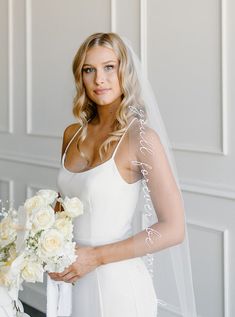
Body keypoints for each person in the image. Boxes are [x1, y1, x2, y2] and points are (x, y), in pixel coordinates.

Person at [47, 32, 196, 317]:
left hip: (117, 287)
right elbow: (64, 205)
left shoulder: (141, 138)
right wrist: (45, 245)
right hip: (73, 281)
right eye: (89, 70)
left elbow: (174, 229)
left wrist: (95, 257)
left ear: (124, 71)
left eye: (109, 67)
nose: (99, 79)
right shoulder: (71, 134)